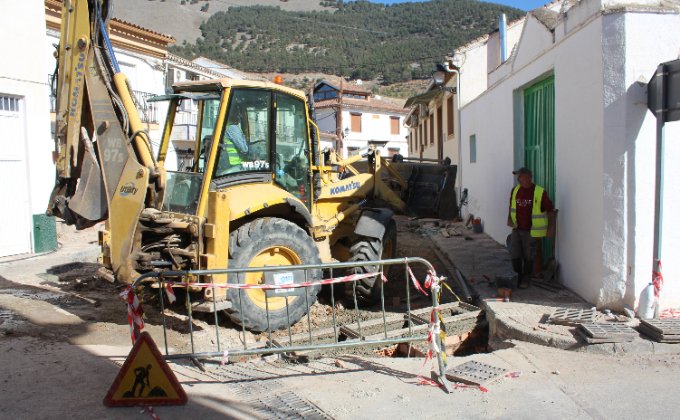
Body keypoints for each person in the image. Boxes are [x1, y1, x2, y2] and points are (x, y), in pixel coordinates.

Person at [507, 167, 555, 289]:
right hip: (517, 229)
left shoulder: (539, 192)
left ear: (528, 177)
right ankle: (518, 275)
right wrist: (510, 219)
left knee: (529, 256)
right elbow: (511, 205)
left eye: (520, 176)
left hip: (531, 231)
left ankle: (526, 278)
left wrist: (551, 227)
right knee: (515, 253)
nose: (518, 179)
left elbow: (550, 210)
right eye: (518, 176)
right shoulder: (515, 190)